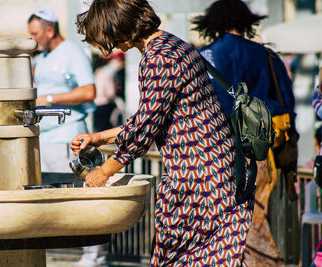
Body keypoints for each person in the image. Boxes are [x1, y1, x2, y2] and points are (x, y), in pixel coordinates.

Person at [72, 0, 253, 266]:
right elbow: (151, 119)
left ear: (120, 26)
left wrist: (102, 173)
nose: (109, 46)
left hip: (198, 184)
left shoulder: (158, 58)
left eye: (108, 36)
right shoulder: (174, 45)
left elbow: (144, 129)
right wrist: (98, 138)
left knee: (179, 260)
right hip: (221, 176)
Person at [192, 1, 297, 266]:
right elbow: (287, 101)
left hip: (215, 154)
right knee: (256, 223)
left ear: (213, 23)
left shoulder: (203, 57)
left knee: (218, 226)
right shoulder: (267, 56)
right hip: (262, 151)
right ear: (246, 22)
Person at [27, 8, 96, 172]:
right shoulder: (42, 57)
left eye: (35, 33)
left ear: (49, 31)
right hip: (44, 137)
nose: (32, 38)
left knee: (67, 190)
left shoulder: (73, 52)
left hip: (67, 136)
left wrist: (50, 99)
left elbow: (89, 91)